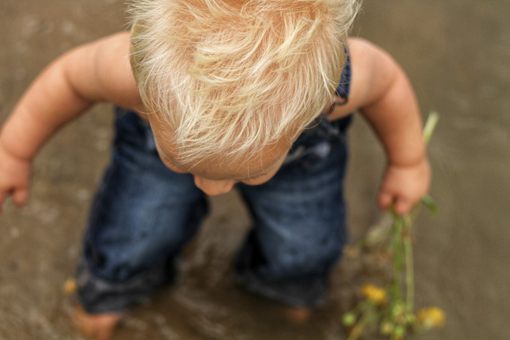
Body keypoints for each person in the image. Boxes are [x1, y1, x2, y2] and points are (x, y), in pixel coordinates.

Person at [0, 0, 430, 339]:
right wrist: (14, 151)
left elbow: (388, 85)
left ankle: (290, 287)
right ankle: (112, 291)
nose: (213, 188)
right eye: (184, 163)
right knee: (134, 228)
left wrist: (407, 161)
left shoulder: (332, 90)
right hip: (155, 142)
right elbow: (68, 81)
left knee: (306, 243)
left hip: (301, 164)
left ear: (313, 112)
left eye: (250, 171)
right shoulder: (135, 75)